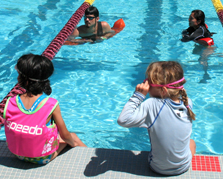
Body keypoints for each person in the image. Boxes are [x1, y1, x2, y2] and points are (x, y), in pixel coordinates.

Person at [3, 54, 86, 165]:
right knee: (72, 137)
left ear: (21, 79)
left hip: (17, 154)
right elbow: (65, 135)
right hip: (41, 158)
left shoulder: (10, 101)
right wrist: (72, 143)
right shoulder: (50, 104)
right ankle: (88, 160)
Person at [117, 61, 196, 175]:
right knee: (191, 142)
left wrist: (138, 95)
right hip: (183, 168)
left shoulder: (151, 104)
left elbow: (123, 120)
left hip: (158, 168)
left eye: (149, 83)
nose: (146, 87)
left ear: (163, 90)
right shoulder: (187, 102)